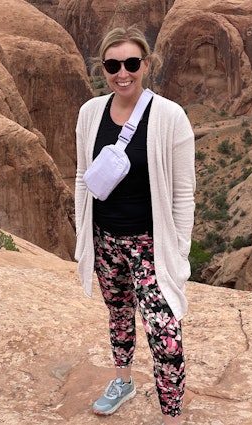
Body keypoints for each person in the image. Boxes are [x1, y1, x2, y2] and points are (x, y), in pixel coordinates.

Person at [74, 26, 195, 425]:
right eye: (112, 65)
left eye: (130, 63)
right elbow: (82, 175)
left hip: (150, 243)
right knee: (120, 315)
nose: (121, 73)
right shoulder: (90, 113)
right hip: (105, 237)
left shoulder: (169, 116)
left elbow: (183, 193)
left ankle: (172, 416)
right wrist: (84, 234)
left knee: (164, 334)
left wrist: (178, 251)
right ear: (103, 69)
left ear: (145, 65)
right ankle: (123, 382)